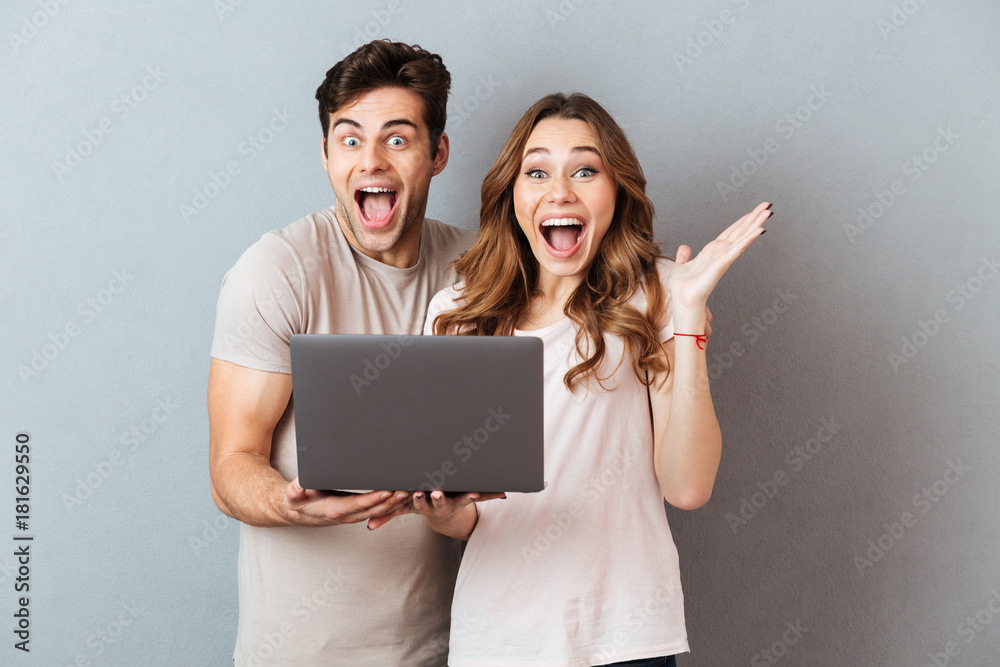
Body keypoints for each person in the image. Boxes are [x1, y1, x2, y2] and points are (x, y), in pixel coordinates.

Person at [373, 92, 772, 666]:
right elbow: (470, 516)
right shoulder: (458, 311)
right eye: (537, 172)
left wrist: (687, 320)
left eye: (585, 170)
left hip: (626, 636)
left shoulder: (656, 293)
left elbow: (689, 487)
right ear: (514, 196)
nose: (560, 191)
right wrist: (441, 511)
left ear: (616, 192)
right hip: (498, 639)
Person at [207, 40, 476, 666]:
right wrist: (290, 503)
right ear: (326, 153)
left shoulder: (479, 271)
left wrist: (676, 306)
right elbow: (231, 467)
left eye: (398, 139)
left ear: (437, 154)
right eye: (349, 139)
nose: (370, 161)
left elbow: (594, 281)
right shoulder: (278, 271)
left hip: (449, 652)